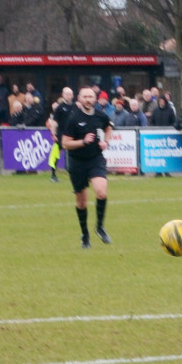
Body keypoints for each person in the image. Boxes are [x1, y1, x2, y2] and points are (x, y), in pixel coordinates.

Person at [61, 86, 113, 248]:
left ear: (95, 99)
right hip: (77, 162)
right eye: (85, 97)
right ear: (80, 99)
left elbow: (108, 126)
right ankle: (85, 234)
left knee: (101, 192)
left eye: (91, 97)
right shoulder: (73, 118)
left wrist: (106, 141)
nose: (88, 100)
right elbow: (65, 144)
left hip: (95, 159)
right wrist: (83, 141)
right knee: (82, 202)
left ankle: (99, 227)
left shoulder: (99, 115)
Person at [47, 87, 75, 183]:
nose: (68, 96)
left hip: (73, 135)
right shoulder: (59, 108)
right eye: (66, 94)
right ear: (63, 95)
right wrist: (53, 133)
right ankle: (53, 175)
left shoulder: (75, 107)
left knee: (76, 154)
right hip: (61, 135)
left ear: (72, 96)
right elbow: (54, 122)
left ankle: (76, 173)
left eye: (70, 94)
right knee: (55, 154)